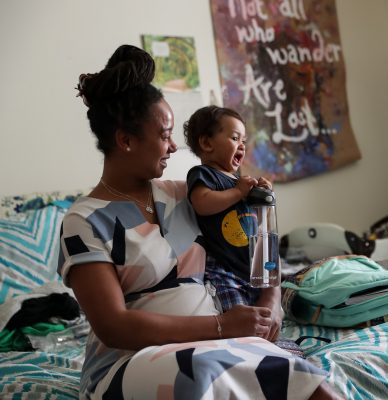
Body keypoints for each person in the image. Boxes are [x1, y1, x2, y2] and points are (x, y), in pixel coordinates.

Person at [59, 44, 339, 400]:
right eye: (165, 135)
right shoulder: (84, 220)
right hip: (131, 360)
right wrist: (221, 326)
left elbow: (262, 239)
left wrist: (271, 301)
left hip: (218, 344)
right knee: (202, 372)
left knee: (309, 382)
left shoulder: (189, 194)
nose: (174, 147)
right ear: (125, 140)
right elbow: (114, 326)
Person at [183, 106, 281, 331]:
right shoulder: (204, 174)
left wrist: (263, 195)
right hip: (225, 270)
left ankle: (271, 344)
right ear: (207, 143)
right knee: (243, 322)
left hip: (252, 268)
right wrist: (238, 192)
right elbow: (202, 202)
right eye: (235, 138)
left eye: (244, 140)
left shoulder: (238, 181)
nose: (242, 145)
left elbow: (257, 223)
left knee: (266, 319)